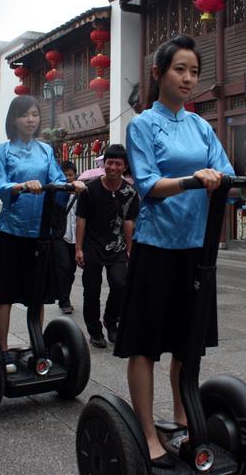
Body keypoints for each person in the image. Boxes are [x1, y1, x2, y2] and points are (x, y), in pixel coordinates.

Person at [112, 35, 246, 467]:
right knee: (145, 345)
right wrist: (192, 180)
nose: (188, 78)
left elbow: (225, 177)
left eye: (194, 72)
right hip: (156, 246)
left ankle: (183, 421)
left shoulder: (201, 127)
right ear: (158, 73)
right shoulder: (142, 126)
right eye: (179, 69)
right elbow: (148, 185)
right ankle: (148, 433)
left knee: (189, 343)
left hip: (196, 251)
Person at [0, 95, 86, 373]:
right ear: (13, 119)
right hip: (12, 230)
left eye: (34, 114)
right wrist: (21, 186)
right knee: (5, 293)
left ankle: (36, 345)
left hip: (40, 232)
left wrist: (72, 185)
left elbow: (56, 179)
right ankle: (2, 349)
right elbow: (1, 184)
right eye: (24, 115)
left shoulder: (45, 150)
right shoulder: (2, 151)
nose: (30, 120)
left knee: (37, 293)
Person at [76, 144, 139, 348]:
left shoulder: (130, 192)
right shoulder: (89, 189)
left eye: (117, 164)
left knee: (120, 284)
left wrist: (129, 249)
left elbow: (128, 222)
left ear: (125, 167)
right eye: (109, 163)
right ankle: (94, 331)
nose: (112, 167)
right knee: (91, 289)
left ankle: (111, 321)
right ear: (104, 164)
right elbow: (81, 219)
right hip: (92, 246)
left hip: (117, 246)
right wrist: (78, 248)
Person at [51, 161, 79, 315]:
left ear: (75, 175)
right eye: (65, 175)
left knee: (71, 270)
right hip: (60, 236)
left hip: (76, 238)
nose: (68, 178)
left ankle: (64, 296)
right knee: (65, 266)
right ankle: (64, 300)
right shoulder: (58, 194)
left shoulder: (81, 193)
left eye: (70, 175)